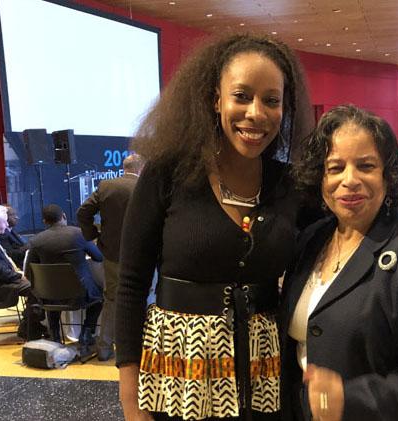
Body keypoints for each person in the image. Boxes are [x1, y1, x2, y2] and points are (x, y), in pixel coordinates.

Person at [115, 34, 314, 421]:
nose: (255, 113)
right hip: (179, 372)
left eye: (271, 100)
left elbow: (340, 245)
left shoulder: (290, 185)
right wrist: (129, 396)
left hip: (266, 371)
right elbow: (131, 284)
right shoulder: (168, 173)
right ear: (215, 100)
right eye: (241, 96)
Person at [282, 105, 398, 420]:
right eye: (335, 167)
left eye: (365, 166)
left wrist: (347, 399)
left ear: (387, 176)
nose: (349, 179)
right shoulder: (311, 241)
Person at [77, 153, 144, 361]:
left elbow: (83, 212)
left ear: (124, 167)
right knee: (146, 301)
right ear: (141, 168)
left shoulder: (106, 186)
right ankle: (142, 349)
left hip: (113, 253)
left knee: (112, 300)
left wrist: (93, 236)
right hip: (143, 255)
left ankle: (104, 349)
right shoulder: (146, 186)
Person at [25, 204, 103, 349]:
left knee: (53, 296)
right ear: (64, 216)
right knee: (100, 298)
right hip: (81, 294)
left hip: (48, 296)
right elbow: (99, 257)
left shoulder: (36, 241)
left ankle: (55, 336)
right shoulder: (78, 234)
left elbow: (29, 271)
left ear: (44, 221)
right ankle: (86, 332)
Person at [0, 204, 44, 340]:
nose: (7, 225)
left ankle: (30, 325)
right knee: (36, 288)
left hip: (1, 277)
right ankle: (30, 330)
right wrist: (19, 276)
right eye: (4, 221)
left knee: (36, 284)